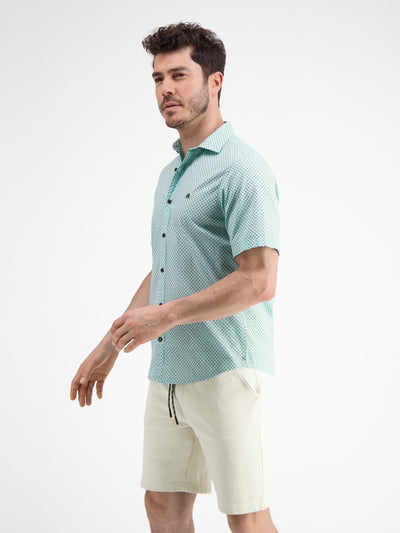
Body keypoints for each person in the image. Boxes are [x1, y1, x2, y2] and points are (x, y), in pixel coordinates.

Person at [70, 21, 280, 533]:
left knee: (247, 520)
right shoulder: (172, 172)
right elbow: (166, 266)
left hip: (227, 369)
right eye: (158, 78)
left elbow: (259, 280)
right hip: (167, 372)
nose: (166, 88)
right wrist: (110, 345)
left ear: (215, 81)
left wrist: (163, 317)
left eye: (179, 75)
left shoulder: (243, 169)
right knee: (162, 508)